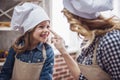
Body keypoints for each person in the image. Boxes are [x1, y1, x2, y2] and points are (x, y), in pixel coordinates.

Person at [50, 0, 120, 80]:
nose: (71, 27)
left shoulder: (110, 41)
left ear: (77, 21)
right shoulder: (88, 41)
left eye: (69, 21)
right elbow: (82, 78)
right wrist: (62, 50)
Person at [0, 2, 54, 80]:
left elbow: (46, 77)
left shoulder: (48, 52)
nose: (46, 30)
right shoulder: (16, 47)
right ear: (30, 29)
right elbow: (5, 73)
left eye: (48, 26)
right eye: (41, 27)